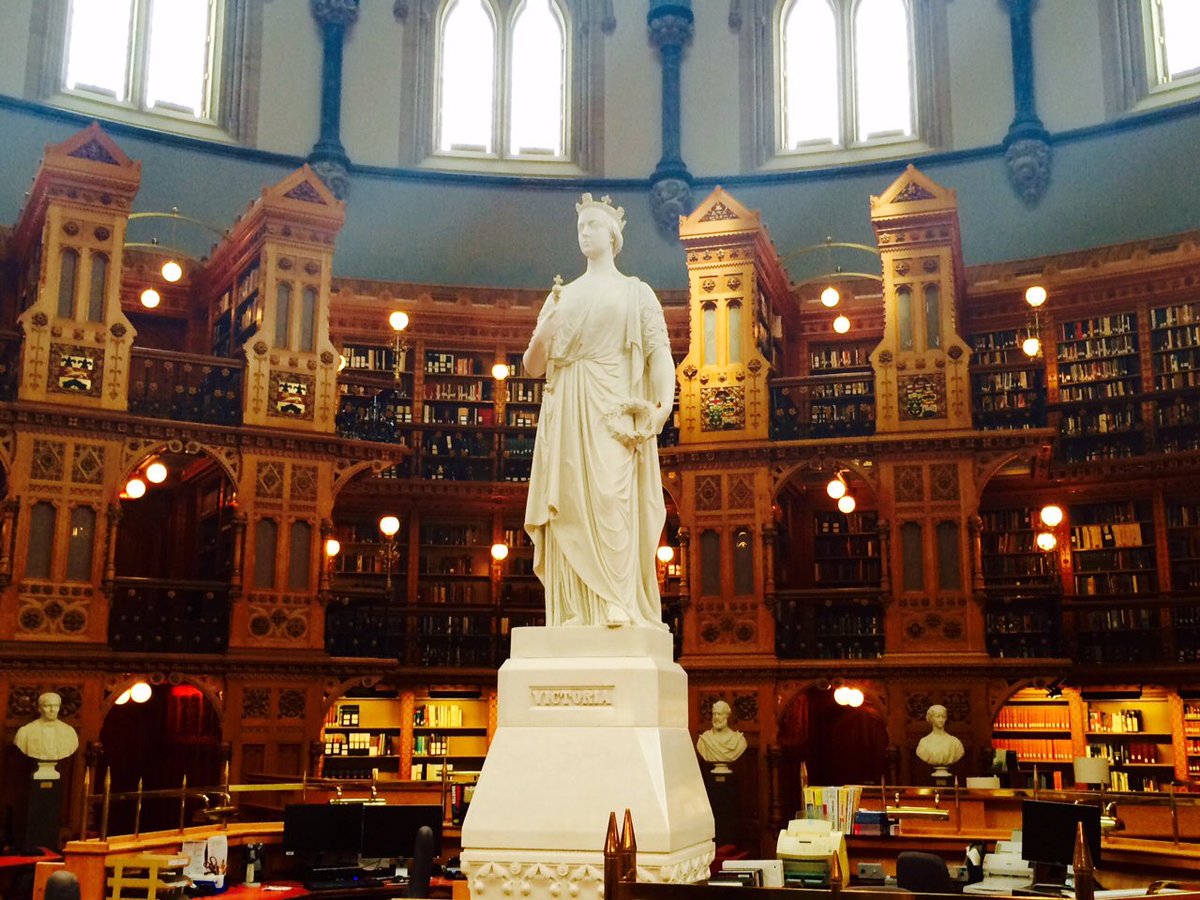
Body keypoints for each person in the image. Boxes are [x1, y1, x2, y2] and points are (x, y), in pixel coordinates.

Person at [523, 194, 675, 628]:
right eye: (580, 227)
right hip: (566, 405)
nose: (584, 233)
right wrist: (546, 327)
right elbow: (532, 367)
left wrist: (663, 405)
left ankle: (618, 599)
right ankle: (574, 609)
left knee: (613, 498)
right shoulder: (560, 296)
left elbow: (659, 355)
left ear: (612, 235)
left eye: (592, 225)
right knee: (567, 503)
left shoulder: (636, 292)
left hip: (612, 405)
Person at [14, 692, 79, 761]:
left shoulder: (69, 732)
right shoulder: (25, 732)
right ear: (39, 708)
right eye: (47, 706)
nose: (52, 710)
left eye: (56, 706)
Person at [696, 700, 748, 768]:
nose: (716, 717)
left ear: (727, 715)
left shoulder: (739, 741)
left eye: (720, 714)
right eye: (714, 714)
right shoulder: (704, 740)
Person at [915, 704, 964, 775]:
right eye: (937, 716)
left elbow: (959, 753)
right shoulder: (924, 743)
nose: (941, 719)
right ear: (931, 718)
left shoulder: (955, 742)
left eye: (943, 716)